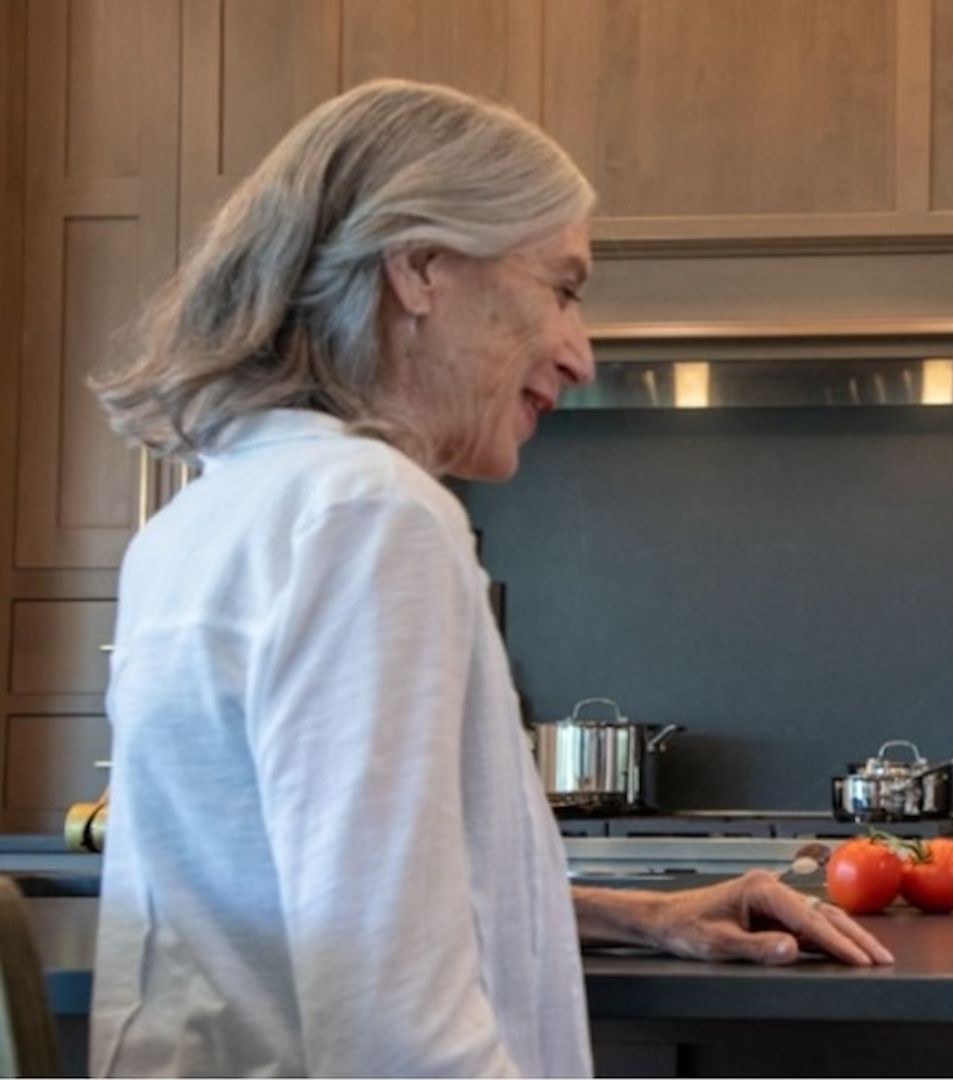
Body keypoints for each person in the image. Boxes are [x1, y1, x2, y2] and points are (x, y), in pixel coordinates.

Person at [87, 79, 890, 1077]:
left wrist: (641, 915)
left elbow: (318, 897)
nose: (580, 355)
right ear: (421, 267)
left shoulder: (202, 519)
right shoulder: (374, 514)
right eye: (563, 288)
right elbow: (392, 1026)